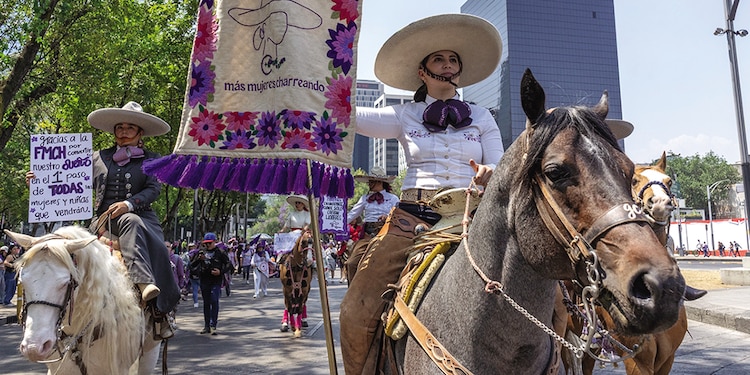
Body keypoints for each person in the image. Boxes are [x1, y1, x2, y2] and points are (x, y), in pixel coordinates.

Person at [339, 14, 504, 374]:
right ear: (423, 72)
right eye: (439, 60)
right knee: (357, 306)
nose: (448, 66)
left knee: (550, 295)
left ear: (460, 72)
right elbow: (350, 116)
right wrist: (315, 89)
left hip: (472, 219)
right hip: (413, 218)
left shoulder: (483, 117)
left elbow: (499, 165)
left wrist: (491, 172)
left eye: (453, 61)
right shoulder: (403, 114)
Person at [345, 167, 400, 281]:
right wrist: (337, 226)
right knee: (351, 263)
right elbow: (352, 214)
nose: (369, 184)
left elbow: (399, 215)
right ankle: (352, 293)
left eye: (372, 181)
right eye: (369, 181)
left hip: (386, 234)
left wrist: (388, 217)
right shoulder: (365, 198)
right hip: (367, 236)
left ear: (380, 182)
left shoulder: (393, 198)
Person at [190, 232, 231, 335]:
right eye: (206, 243)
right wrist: (199, 259)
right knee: (206, 303)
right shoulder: (201, 253)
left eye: (210, 243)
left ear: (214, 242)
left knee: (214, 300)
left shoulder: (220, 252)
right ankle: (206, 325)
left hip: (216, 281)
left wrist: (220, 272)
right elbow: (192, 265)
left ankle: (213, 325)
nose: (208, 245)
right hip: (204, 280)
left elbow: (229, 265)